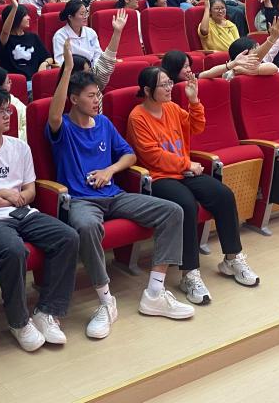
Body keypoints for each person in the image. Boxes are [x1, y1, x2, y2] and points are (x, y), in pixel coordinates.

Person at [45, 39, 193, 339]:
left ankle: (154, 293)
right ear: (74, 99)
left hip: (114, 195)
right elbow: (54, 115)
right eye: (90, 96)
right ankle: (105, 301)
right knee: (86, 226)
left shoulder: (103, 123)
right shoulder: (63, 128)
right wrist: (68, 68)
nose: (97, 100)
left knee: (173, 212)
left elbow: (130, 156)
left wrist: (110, 170)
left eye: (98, 95)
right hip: (82, 200)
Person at [0, 86, 79, 352]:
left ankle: (47, 311)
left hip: (22, 211)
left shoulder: (20, 147)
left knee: (68, 237)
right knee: (13, 249)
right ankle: (19, 322)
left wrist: (13, 199)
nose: (7, 115)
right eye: (0, 111)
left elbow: (30, 191)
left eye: (8, 110)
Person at [126, 66, 258, 305]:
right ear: (147, 90)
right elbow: (153, 156)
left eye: (169, 83)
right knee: (186, 204)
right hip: (158, 177)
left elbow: (196, 127)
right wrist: (186, 163)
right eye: (163, 85)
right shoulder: (137, 117)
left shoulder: (172, 108)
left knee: (223, 195)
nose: (169, 88)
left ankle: (232, 258)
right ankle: (189, 274)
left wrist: (194, 100)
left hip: (183, 171)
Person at [0, 0, 54, 82]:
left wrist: (44, 64)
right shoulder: (5, 39)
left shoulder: (33, 37)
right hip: (17, 82)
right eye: (25, 15)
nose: (29, 18)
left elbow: (48, 58)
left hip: (36, 80)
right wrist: (14, 8)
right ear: (16, 18)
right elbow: (5, 32)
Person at [52, 0, 101, 66]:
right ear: (70, 17)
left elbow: (98, 54)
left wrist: (94, 68)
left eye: (86, 13)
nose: (85, 17)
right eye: (81, 14)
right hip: (74, 71)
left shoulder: (91, 32)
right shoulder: (60, 36)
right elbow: (60, 62)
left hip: (92, 69)